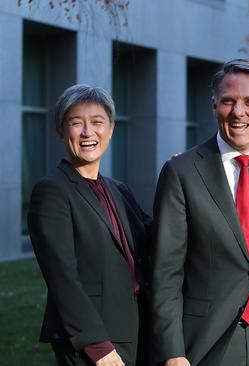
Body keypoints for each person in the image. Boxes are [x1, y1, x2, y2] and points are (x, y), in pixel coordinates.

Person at [151, 59, 249, 366]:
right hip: (206, 340)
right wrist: (172, 352)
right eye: (228, 101)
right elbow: (165, 272)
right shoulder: (181, 172)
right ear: (214, 106)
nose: (239, 112)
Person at [28, 84, 151, 366]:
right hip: (92, 341)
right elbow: (62, 277)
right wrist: (97, 346)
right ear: (61, 131)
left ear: (111, 130)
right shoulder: (52, 191)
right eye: (76, 123)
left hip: (134, 329)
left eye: (97, 122)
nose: (87, 133)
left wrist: (180, 180)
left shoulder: (118, 189)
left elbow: (154, 238)